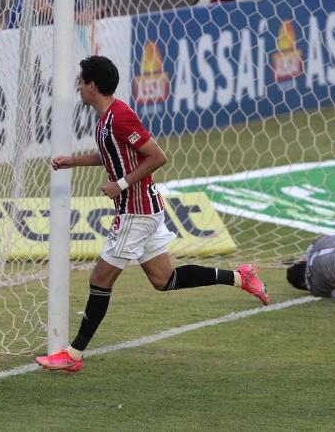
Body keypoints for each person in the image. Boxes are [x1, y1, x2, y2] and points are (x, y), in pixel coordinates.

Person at [35, 55, 270, 372]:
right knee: (164, 279)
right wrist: (72, 162)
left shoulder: (119, 118)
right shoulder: (107, 120)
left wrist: (120, 184)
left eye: (81, 81)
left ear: (92, 86)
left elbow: (158, 156)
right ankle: (241, 278)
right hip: (144, 207)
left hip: (136, 211)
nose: (78, 87)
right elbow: (113, 157)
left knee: (100, 278)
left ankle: (73, 355)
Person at [6, 0, 86, 29]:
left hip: (53, 37)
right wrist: (71, 16)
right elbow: (38, 5)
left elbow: (82, 16)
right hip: (21, 34)